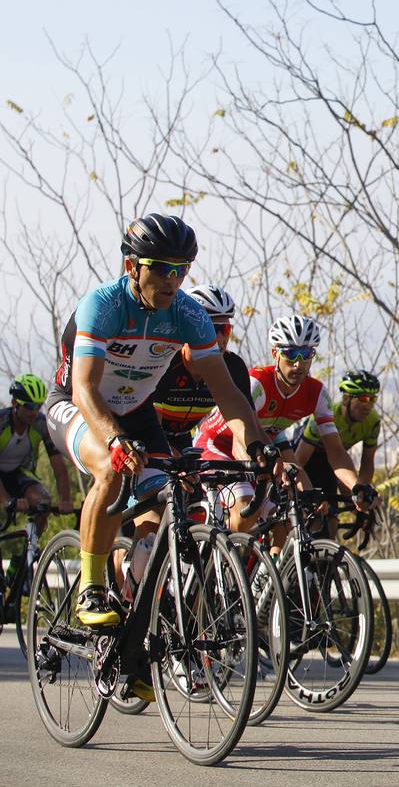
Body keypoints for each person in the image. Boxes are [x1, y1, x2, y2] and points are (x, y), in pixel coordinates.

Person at [44, 214, 280, 650]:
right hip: (77, 406)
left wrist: (259, 448)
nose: (174, 281)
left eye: (182, 270)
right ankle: (90, 588)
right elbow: (84, 388)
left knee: (159, 521)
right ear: (134, 267)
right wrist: (114, 441)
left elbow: (229, 397)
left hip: (137, 416)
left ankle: (133, 642)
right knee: (110, 472)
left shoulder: (189, 316)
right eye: (164, 269)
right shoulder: (104, 305)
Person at [194, 315, 373, 533]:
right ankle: (217, 552)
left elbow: (336, 452)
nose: (298, 363)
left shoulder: (317, 393)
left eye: (306, 354)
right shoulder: (257, 383)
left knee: (286, 520)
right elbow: (241, 439)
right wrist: (273, 473)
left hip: (266, 442)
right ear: (275, 354)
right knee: (245, 512)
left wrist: (357, 486)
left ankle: (276, 566)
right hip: (220, 444)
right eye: (290, 354)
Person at [152, 284, 251, 452]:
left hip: (182, 438)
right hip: (140, 431)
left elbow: (246, 427)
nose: (220, 338)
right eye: (212, 329)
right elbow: (150, 427)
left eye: (225, 329)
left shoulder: (234, 367)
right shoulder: (165, 362)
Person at [293, 368, 384, 536]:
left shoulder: (372, 422)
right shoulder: (326, 416)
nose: (369, 406)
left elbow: (366, 464)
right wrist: (305, 495)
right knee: (313, 521)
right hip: (306, 461)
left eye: (373, 399)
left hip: (332, 465)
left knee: (331, 525)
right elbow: (299, 461)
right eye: (363, 399)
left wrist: (361, 496)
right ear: (346, 398)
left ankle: (323, 560)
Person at [0, 374, 74, 535]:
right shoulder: (2, 422)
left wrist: (65, 500)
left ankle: (28, 551)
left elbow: (59, 467)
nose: (33, 412)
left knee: (43, 503)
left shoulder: (41, 425)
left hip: (16, 474)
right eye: (28, 406)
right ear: (14, 403)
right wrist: (6, 500)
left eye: (38, 406)